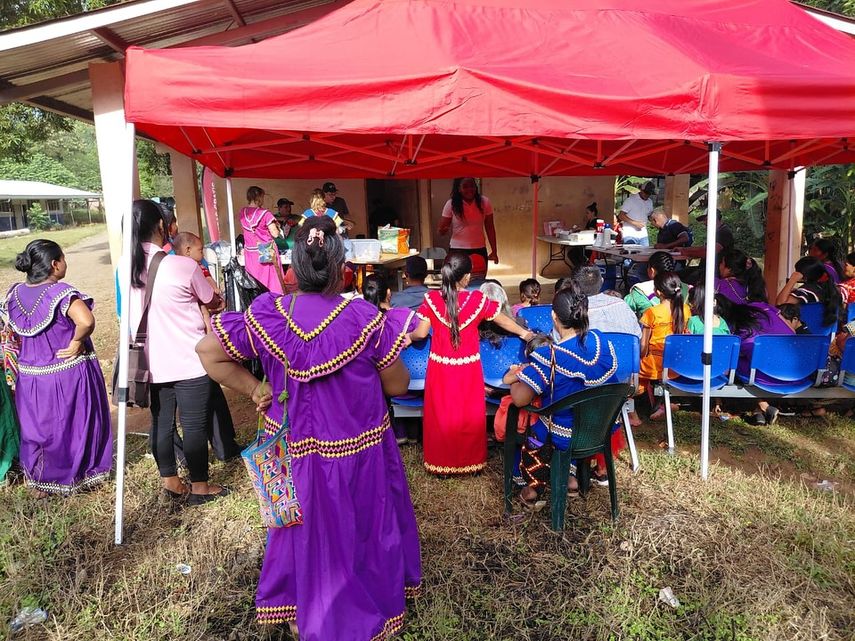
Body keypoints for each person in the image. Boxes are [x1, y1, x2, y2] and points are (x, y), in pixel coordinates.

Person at [197, 215, 421, 639]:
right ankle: (369, 606)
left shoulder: (268, 315)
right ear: (341, 268)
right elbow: (396, 383)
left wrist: (255, 387)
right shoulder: (364, 318)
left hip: (294, 452)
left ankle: (303, 608)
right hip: (358, 453)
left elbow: (207, 352)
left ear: (294, 267)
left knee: (302, 531)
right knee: (365, 529)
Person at [129, 199, 228, 504]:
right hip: (188, 360)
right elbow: (212, 299)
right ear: (162, 226)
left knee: (162, 422)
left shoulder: (127, 267)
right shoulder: (182, 265)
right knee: (195, 424)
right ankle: (200, 486)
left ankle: (171, 481)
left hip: (152, 364)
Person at [409, 252, 533, 475]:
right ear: (466, 278)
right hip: (468, 368)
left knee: (442, 414)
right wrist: (524, 334)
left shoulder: (432, 300)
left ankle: (441, 464)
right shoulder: (477, 301)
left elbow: (421, 332)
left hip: (441, 368)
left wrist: (409, 337)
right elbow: (502, 319)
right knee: (468, 414)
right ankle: (471, 463)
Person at [6, 239, 112, 496]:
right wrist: (76, 341)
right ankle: (78, 475)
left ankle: (42, 483)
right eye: (63, 259)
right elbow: (85, 320)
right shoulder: (61, 292)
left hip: (30, 377)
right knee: (72, 425)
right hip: (66, 373)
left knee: (39, 428)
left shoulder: (14, 294)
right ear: (55, 264)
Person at [505, 281, 621, 505]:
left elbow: (520, 399)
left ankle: (532, 488)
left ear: (554, 317)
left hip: (565, 435)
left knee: (535, 430)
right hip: (601, 429)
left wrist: (514, 377)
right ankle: (570, 478)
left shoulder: (550, 356)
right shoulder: (601, 341)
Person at [171, 232, 243, 462]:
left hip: (177, 345)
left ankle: (213, 448)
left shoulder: (160, 268)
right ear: (188, 251)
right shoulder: (190, 269)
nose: (203, 255)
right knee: (206, 400)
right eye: (200, 250)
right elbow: (213, 298)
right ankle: (220, 448)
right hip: (196, 341)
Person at [639, 272, 690, 421]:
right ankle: (662, 404)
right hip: (677, 365)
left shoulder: (652, 312)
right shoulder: (685, 310)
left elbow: (643, 345)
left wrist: (638, 357)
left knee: (633, 372)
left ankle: (644, 406)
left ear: (658, 292)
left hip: (655, 365)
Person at [438, 177, 498, 266]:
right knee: (459, 279)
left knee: (479, 278)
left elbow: (490, 227)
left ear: (476, 187)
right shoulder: (451, 204)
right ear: (459, 189)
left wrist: (494, 251)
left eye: (472, 186)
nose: (469, 189)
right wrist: (443, 230)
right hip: (458, 249)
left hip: (479, 248)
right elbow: (441, 230)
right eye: (465, 187)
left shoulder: (484, 202)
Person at [240, 185, 285, 295]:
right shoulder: (265, 214)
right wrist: (279, 228)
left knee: (255, 281)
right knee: (272, 281)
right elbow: (274, 233)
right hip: (265, 248)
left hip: (250, 251)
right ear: (259, 197)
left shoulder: (243, 212)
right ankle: (275, 301)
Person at [575, 266, 642, 338]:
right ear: (602, 281)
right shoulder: (622, 304)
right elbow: (638, 335)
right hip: (626, 347)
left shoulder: (575, 311)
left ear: (575, 285)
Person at [775, 256, 840, 328]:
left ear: (802, 275)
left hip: (804, 332)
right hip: (822, 335)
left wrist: (792, 280)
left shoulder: (806, 291)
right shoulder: (826, 290)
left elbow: (780, 303)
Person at [624, 251, 685, 318]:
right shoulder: (684, 288)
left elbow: (623, 307)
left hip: (651, 326)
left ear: (652, 271)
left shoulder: (640, 291)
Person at [617, 181, 656, 247]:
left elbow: (649, 215)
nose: (647, 195)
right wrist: (635, 223)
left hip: (643, 235)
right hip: (630, 234)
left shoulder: (649, 202)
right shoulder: (631, 200)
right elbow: (621, 216)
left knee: (644, 255)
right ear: (641, 190)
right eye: (646, 192)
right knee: (629, 255)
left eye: (650, 193)